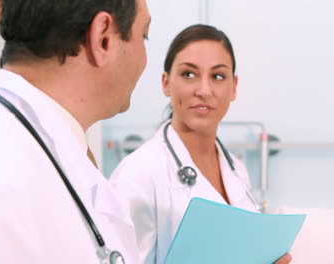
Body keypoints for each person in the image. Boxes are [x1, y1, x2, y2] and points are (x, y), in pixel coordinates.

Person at [0, 0, 150, 263]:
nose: (145, 59)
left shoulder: (41, 148)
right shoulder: (2, 183)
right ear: (103, 38)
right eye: (143, 36)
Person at [110, 24, 293, 264]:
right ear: (166, 83)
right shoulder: (138, 174)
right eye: (188, 74)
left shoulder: (237, 171)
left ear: (233, 87)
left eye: (218, 76)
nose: (204, 90)